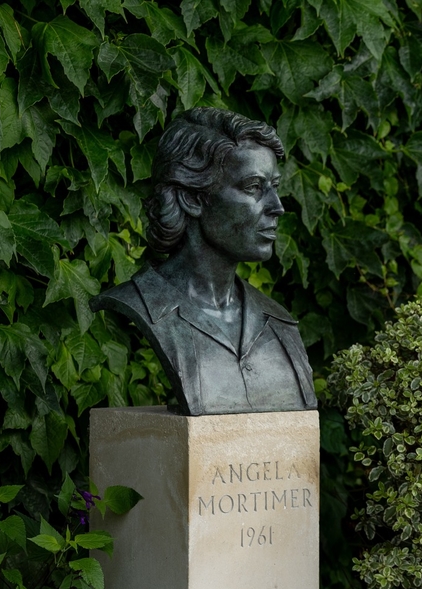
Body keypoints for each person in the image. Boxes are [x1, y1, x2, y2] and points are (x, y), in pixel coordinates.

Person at [91, 108, 317, 416]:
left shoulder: (280, 323)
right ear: (192, 198)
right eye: (253, 187)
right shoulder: (141, 305)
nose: (276, 207)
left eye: (274, 187)